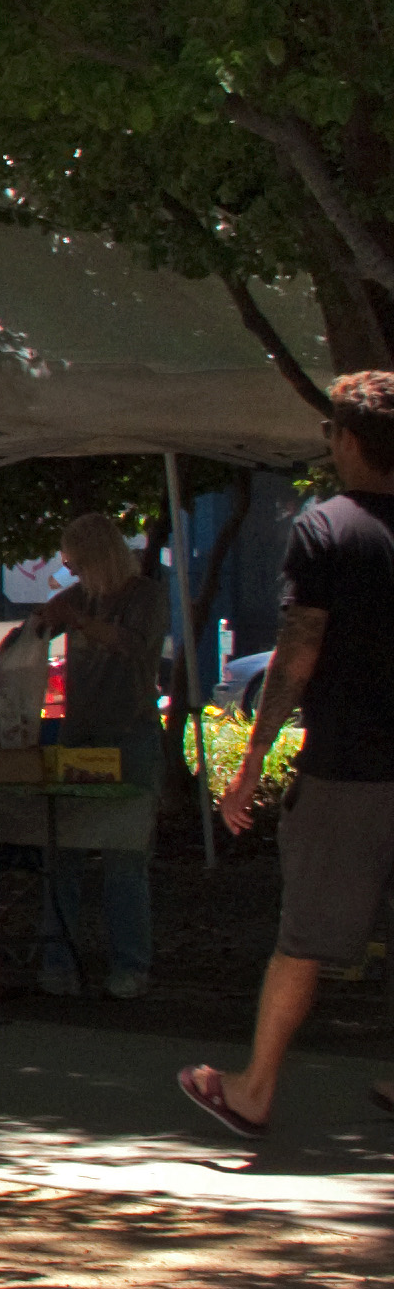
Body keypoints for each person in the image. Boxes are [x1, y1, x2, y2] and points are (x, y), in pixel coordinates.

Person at [183, 374, 394, 1139]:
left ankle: (254, 1088)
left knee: (306, 937)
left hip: (349, 764)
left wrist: (252, 760)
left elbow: (298, 652)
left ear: (344, 440)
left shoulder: (327, 529)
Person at [30, 513, 162, 999]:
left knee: (124, 856)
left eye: (78, 562)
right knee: (62, 851)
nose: (73, 572)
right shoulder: (78, 595)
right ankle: (57, 960)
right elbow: (41, 623)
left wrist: (80, 621)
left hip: (129, 733)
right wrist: (42, 623)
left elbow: (134, 646)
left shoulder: (144, 595)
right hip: (80, 734)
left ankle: (131, 964)